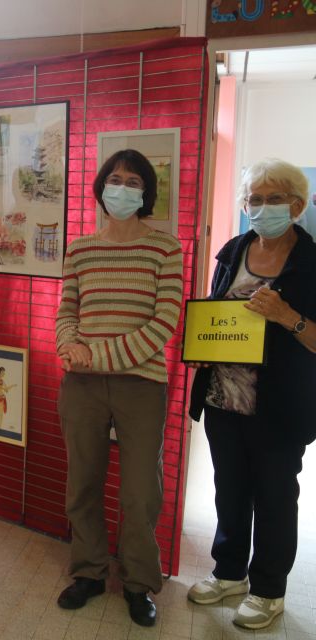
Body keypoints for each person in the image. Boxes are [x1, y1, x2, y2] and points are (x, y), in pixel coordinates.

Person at [54, 149, 183, 627]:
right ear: (101, 186)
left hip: (141, 384)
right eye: (114, 178)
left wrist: (98, 355)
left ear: (146, 191)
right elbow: (67, 310)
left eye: (133, 181)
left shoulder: (165, 248)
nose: (122, 188)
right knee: (83, 482)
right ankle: (87, 571)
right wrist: (70, 346)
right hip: (81, 384)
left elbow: (164, 322)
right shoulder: (81, 248)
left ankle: (137, 583)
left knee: (140, 491)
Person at [187, 159, 315, 630]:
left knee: (277, 497)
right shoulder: (233, 250)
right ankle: (229, 574)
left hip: (280, 407)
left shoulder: (311, 262)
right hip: (225, 399)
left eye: (275, 198)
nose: (263, 207)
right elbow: (214, 313)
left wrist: (287, 315)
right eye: (255, 198)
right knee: (230, 491)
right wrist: (199, 346)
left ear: (297, 205)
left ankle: (268, 590)